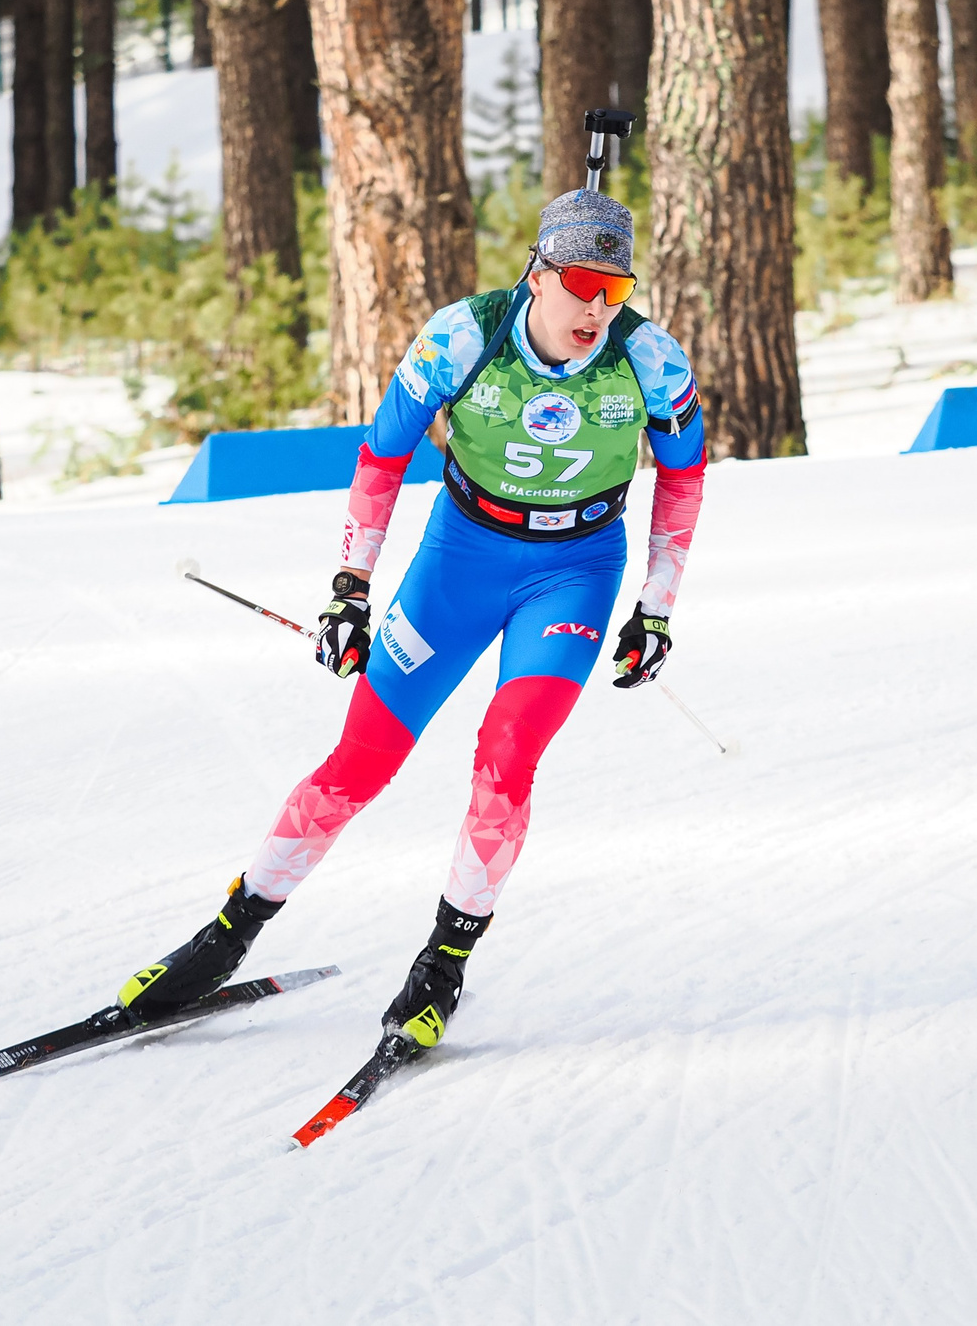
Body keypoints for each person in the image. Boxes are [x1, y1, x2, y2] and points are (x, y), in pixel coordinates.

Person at [115, 185, 707, 1054]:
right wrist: (350, 587)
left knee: (507, 754)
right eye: (580, 282)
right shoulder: (464, 336)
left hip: (574, 574)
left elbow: (684, 479)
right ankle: (224, 936)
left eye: (615, 289)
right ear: (538, 273)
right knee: (362, 757)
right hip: (458, 562)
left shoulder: (649, 360)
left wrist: (656, 608)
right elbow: (384, 455)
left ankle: (443, 963)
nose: (596, 307)